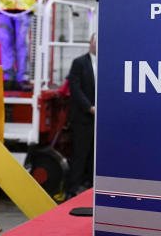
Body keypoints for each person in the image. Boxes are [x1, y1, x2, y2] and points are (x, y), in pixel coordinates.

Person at [65, 32, 96, 199]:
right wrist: (89, 107)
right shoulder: (79, 63)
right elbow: (75, 89)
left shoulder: (108, 63)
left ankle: (91, 187)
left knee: (94, 156)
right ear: (90, 42)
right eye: (96, 41)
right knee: (79, 155)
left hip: (98, 119)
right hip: (83, 118)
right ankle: (72, 190)